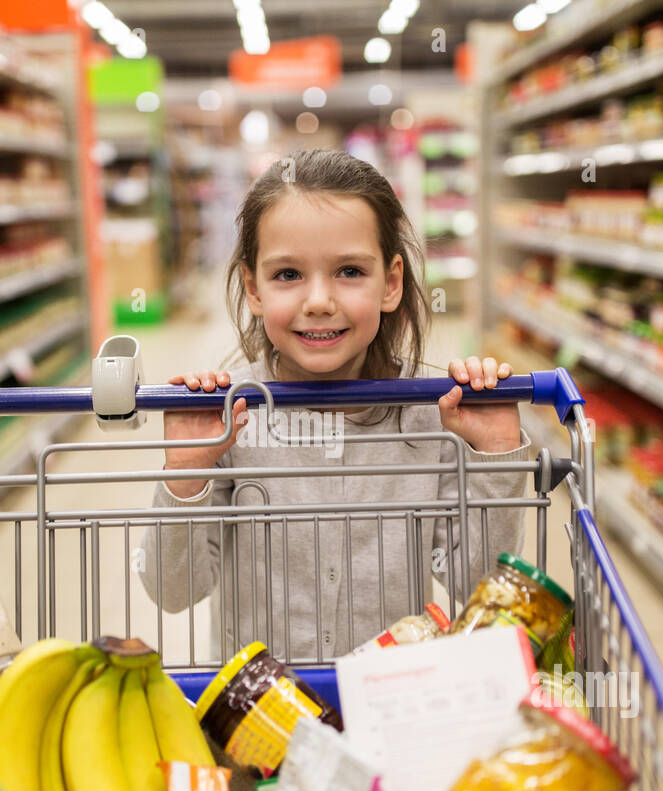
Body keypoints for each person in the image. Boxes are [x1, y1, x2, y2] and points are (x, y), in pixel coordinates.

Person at [138, 148, 532, 662]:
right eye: (287, 275)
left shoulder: (430, 416)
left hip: (390, 706)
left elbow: (475, 582)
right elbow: (173, 592)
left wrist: (496, 455)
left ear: (391, 283)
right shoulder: (229, 419)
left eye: (349, 271)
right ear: (253, 288)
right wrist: (186, 475)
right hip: (260, 716)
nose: (319, 300)